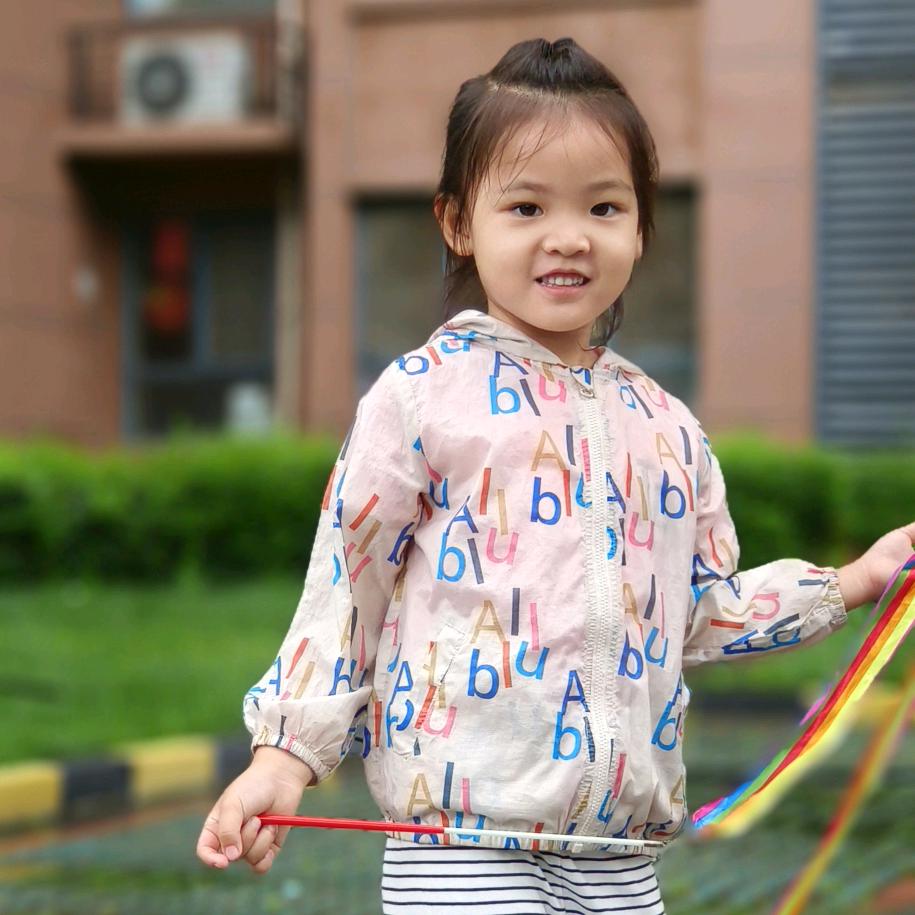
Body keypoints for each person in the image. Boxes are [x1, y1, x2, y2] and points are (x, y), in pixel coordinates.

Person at [195, 37, 915, 913]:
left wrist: (857, 580)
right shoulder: (422, 397)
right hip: (459, 844)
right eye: (527, 206)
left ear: (642, 224)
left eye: (604, 207)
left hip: (617, 858)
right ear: (458, 222)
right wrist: (285, 754)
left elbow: (697, 612)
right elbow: (349, 588)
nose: (568, 237)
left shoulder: (667, 429)